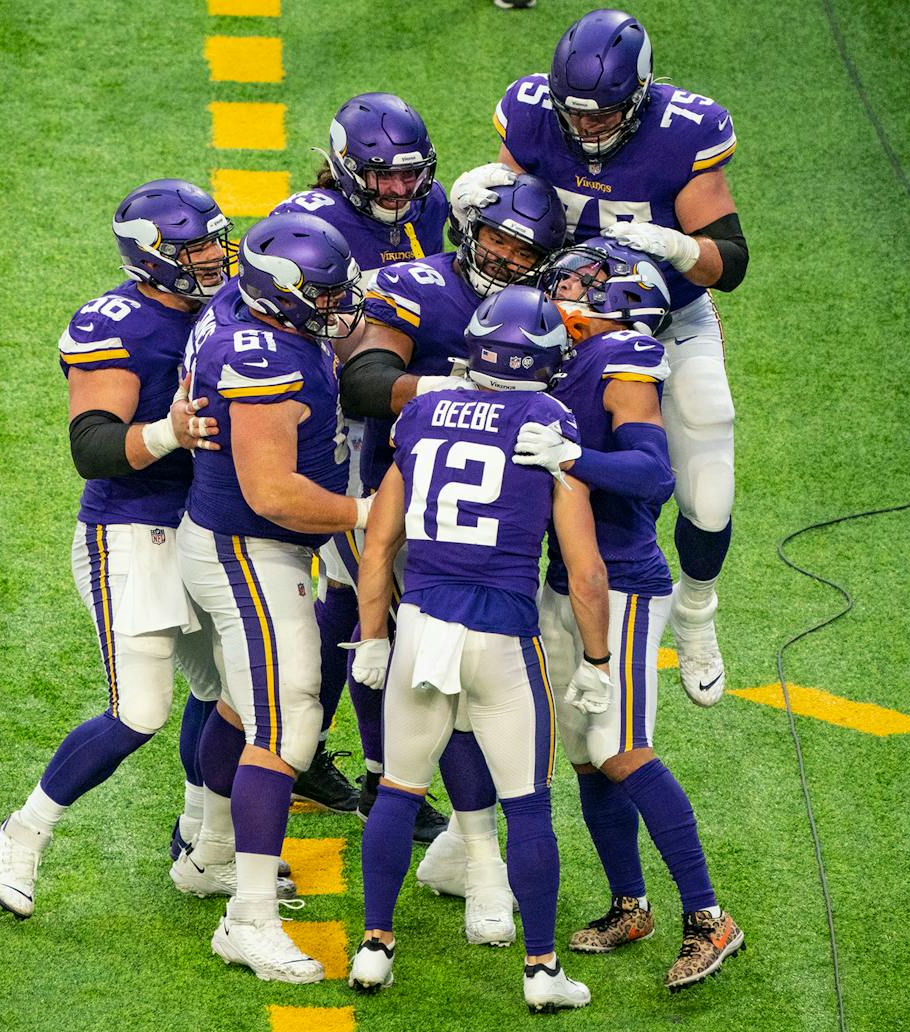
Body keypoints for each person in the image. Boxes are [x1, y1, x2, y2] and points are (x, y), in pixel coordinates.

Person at [347, 286, 607, 1013]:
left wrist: (372, 635)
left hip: (422, 628)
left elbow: (380, 542)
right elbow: (584, 572)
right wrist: (597, 660)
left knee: (398, 791)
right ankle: (541, 968)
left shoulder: (422, 412)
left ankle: (374, 947)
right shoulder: (548, 419)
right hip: (499, 634)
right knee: (527, 806)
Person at [489, 7, 751, 705]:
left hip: (666, 319)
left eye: (604, 115)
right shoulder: (532, 113)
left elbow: (731, 263)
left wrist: (676, 247)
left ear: (638, 96)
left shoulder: (685, 132)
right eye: (577, 114)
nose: (587, 128)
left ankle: (697, 614)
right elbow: (508, 206)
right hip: (556, 322)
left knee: (707, 477)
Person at [0, 180, 231, 918]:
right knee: (140, 712)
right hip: (131, 530)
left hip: (210, 526)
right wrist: (170, 432)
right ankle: (24, 833)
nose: (214, 258)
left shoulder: (231, 304)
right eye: (194, 249)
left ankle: (201, 843)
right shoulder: (116, 321)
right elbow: (92, 446)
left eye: (218, 240)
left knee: (233, 695)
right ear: (151, 257)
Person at [338, 170, 567, 943]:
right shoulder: (419, 286)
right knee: (455, 706)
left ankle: (463, 869)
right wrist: (467, 386)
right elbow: (363, 381)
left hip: (486, 531)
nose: (503, 257)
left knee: (455, 702)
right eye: (497, 237)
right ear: (470, 228)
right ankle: (481, 864)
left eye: (522, 248)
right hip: (406, 513)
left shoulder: (558, 302)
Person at [517, 238, 744, 990]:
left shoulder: (625, 359)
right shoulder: (575, 356)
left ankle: (710, 918)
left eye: (583, 281)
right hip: (568, 579)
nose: (566, 287)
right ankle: (630, 904)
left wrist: (569, 458)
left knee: (622, 749)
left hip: (621, 586)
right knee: (584, 752)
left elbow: (650, 473)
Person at [175, 212, 372, 984]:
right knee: (289, 729)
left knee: (237, 704)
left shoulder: (238, 307)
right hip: (249, 550)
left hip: (233, 541)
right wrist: (368, 512)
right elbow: (275, 492)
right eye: (323, 296)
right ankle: (247, 920)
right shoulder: (260, 357)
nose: (337, 307)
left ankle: (210, 858)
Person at [268, 92, 450, 818]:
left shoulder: (432, 209)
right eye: (381, 176)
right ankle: (383, 779)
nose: (398, 191)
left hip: (396, 421)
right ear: (343, 166)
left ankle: (306, 751)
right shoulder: (302, 230)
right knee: (384, 599)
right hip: (330, 428)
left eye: (409, 176)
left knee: (349, 593)